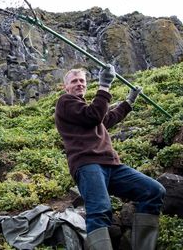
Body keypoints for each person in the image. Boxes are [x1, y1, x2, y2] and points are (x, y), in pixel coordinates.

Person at [54, 65, 166, 250]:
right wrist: (104, 84)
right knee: (99, 209)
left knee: (154, 191)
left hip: (111, 166)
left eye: (82, 80)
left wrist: (129, 102)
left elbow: (107, 119)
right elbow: (95, 116)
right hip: (88, 164)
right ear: (66, 87)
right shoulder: (65, 102)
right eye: (74, 81)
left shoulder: (84, 110)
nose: (79, 84)